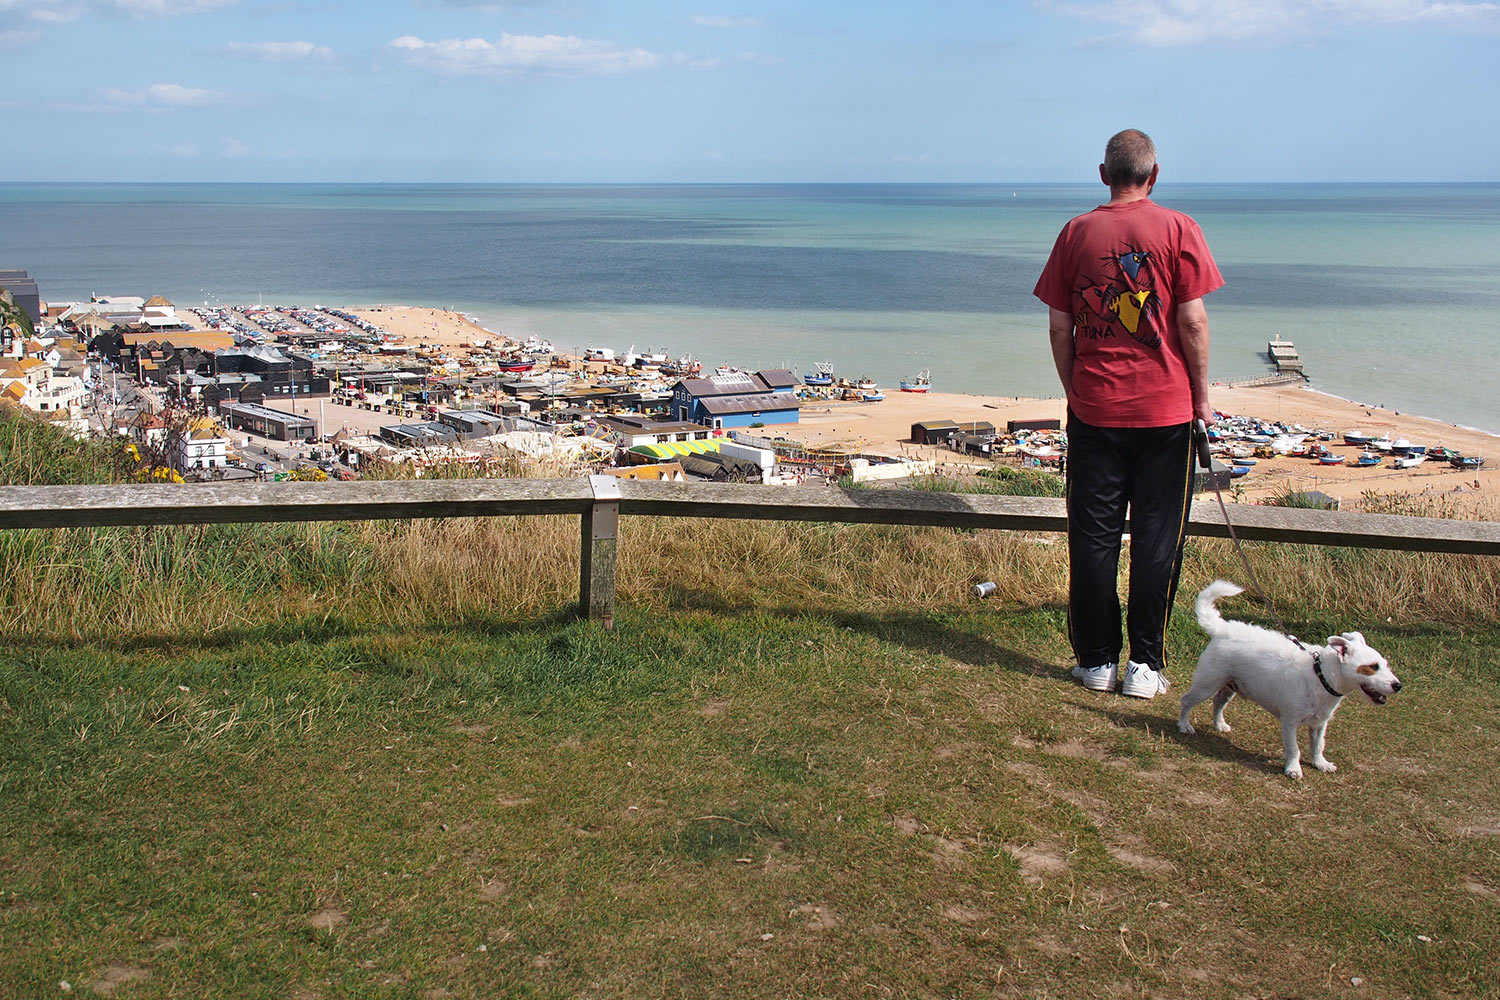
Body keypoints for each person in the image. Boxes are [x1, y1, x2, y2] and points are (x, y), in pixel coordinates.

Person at [1032, 129, 1224, 699]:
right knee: (1158, 539)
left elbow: (1059, 328)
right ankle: (1144, 665)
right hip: (1167, 413)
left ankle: (1095, 661)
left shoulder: (1075, 233)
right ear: (1154, 175)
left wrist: (1077, 390)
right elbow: (1191, 322)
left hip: (1095, 412)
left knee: (1092, 538)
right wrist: (1202, 396)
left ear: (1102, 173)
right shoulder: (1178, 228)